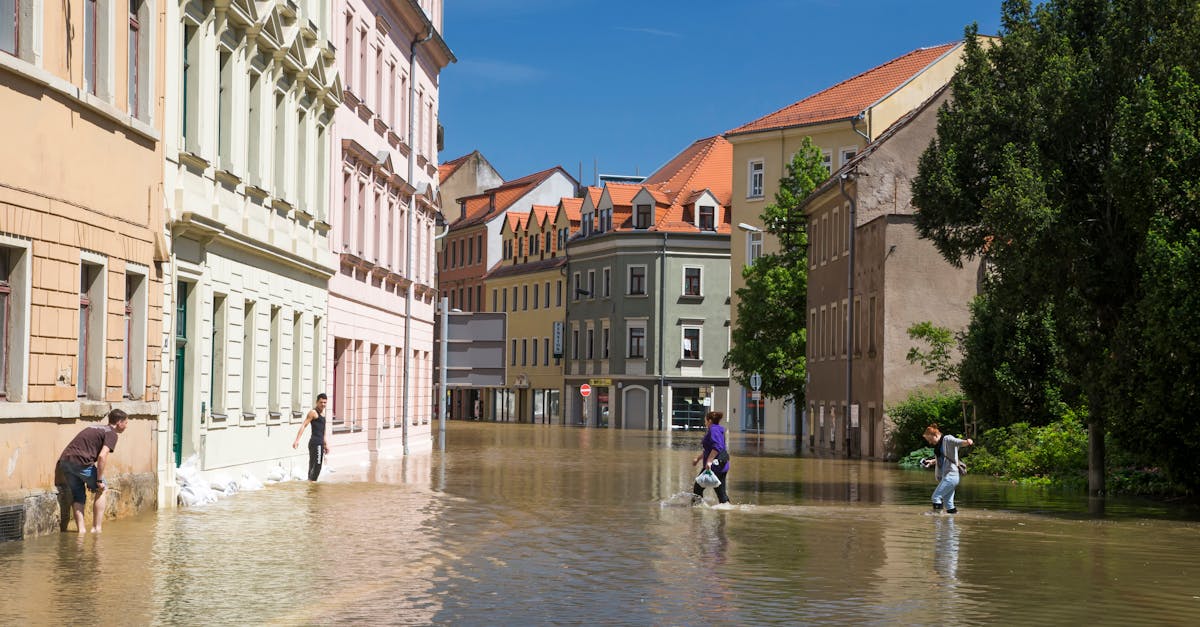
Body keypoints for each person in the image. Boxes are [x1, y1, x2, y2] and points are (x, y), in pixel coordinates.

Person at [55, 409, 130, 534]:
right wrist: (99, 480)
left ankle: (81, 531)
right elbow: (102, 456)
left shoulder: (95, 427)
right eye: (126, 423)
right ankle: (96, 528)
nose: (126, 426)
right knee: (102, 489)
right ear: (119, 422)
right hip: (81, 463)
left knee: (78, 494)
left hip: (65, 462)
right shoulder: (111, 433)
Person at [923, 423, 973, 513]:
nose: (930, 442)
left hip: (951, 475)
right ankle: (951, 525)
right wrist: (931, 462)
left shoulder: (947, 439)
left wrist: (967, 442)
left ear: (935, 435)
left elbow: (958, 442)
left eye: (930, 439)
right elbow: (943, 458)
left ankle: (936, 520)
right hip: (947, 476)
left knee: (936, 497)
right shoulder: (939, 445)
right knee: (948, 503)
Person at [692, 411, 731, 504]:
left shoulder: (714, 430)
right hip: (722, 465)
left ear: (709, 421)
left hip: (714, 466)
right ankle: (726, 511)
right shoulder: (718, 429)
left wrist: (709, 462)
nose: (705, 422)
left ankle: (696, 510)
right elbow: (709, 449)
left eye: (705, 420)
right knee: (720, 492)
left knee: (697, 488)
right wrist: (698, 459)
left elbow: (716, 447)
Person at [293, 393, 330, 481]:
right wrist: (297, 440)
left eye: (325, 403)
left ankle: (310, 488)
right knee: (317, 466)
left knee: (314, 466)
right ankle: (312, 485)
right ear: (317, 402)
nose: (323, 404)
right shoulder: (313, 413)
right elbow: (304, 425)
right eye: (321, 402)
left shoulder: (323, 414)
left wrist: (326, 445)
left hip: (320, 444)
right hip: (315, 443)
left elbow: (323, 431)